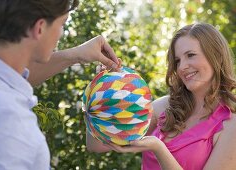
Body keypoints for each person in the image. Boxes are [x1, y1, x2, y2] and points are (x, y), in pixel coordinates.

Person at [0, 0, 120, 169]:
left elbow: (12, 76)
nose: (61, 33)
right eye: (62, 24)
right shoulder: (8, 121)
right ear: (39, 28)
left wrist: (76, 54)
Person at [86, 23, 236, 170]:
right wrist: (103, 91)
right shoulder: (165, 107)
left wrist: (159, 148)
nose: (182, 67)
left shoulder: (231, 125)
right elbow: (96, 146)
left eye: (190, 55)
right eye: (177, 61)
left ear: (216, 56)